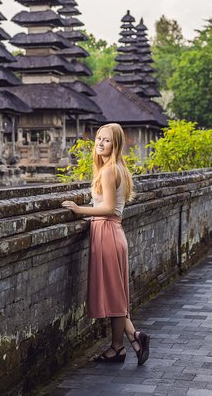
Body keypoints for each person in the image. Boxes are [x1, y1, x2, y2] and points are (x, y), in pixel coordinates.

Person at [61, 123, 150, 365]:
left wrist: (80, 210)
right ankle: (126, 343)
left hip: (108, 232)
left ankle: (126, 341)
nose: (100, 143)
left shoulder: (110, 170)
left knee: (115, 296)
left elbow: (109, 208)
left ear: (116, 145)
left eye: (106, 140)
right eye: (98, 139)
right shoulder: (116, 168)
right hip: (112, 232)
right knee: (115, 294)